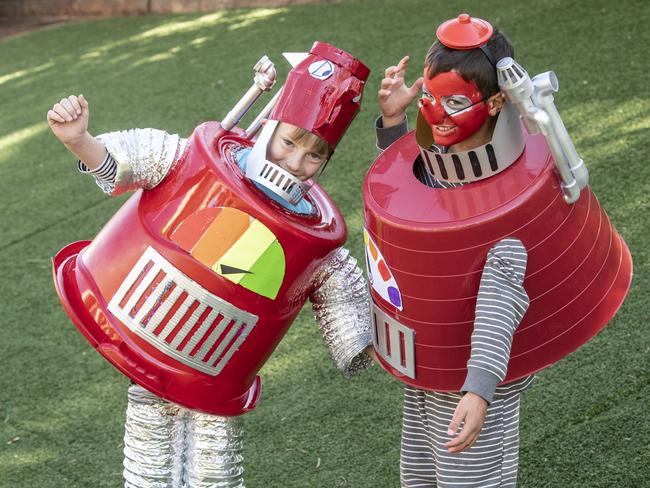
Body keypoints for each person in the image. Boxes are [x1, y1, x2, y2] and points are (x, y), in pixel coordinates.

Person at [50, 42, 373, 487]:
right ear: (270, 126)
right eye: (289, 143)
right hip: (152, 342)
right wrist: (79, 141)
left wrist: (362, 342)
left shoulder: (314, 229)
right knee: (148, 453)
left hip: (218, 374)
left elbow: (342, 291)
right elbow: (127, 162)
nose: (296, 163)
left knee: (214, 462)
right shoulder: (197, 157)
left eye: (315, 154)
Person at [364, 14, 632, 487]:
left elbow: (499, 299)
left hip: (478, 374)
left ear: (494, 104)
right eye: (428, 97)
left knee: (470, 478)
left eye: (452, 102)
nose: (436, 114)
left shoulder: (508, 202)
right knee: (421, 474)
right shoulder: (446, 154)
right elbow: (411, 202)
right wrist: (393, 121)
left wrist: (479, 390)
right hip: (431, 365)